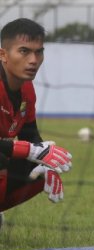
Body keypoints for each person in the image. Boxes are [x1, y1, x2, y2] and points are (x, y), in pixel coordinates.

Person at [0, 18, 73, 230]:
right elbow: (26, 147)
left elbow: (30, 134)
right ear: (3, 55)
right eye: (24, 51)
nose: (33, 60)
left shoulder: (27, 89)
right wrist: (29, 150)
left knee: (40, 170)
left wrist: (46, 160)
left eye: (39, 52)